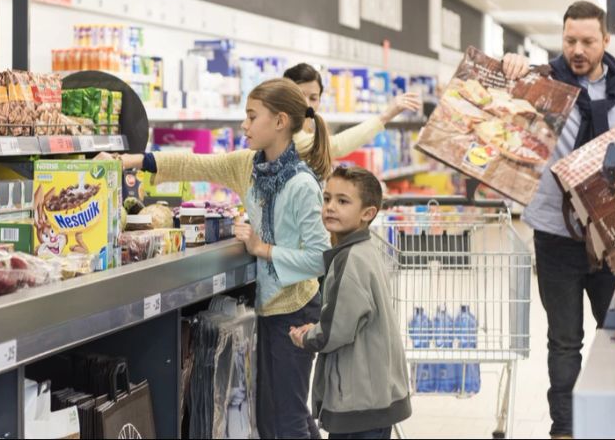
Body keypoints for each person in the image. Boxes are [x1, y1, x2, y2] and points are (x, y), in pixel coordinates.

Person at [99, 78, 332, 439]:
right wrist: (131, 160)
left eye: (253, 116)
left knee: (285, 421)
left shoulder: (302, 184)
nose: (244, 125)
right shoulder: (248, 166)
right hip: (271, 309)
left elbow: (318, 259)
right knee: (277, 418)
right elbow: (195, 164)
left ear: (281, 121)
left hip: (297, 312)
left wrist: (262, 248)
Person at [501, 0, 615, 440]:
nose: (577, 49)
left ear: (605, 41)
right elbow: (499, 100)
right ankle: (566, 429)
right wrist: (511, 66)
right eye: (570, 39)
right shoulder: (545, 85)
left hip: (610, 235)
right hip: (555, 234)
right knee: (564, 340)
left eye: (588, 41)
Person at [289, 166, 411, 440]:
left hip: (360, 400)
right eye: (327, 198)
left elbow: (336, 331)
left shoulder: (350, 259)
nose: (331, 207)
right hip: (376, 392)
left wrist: (307, 337)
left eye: (343, 201)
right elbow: (350, 315)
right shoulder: (364, 250)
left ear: (368, 213)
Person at [283, 63, 422, 153]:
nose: (307, 104)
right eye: (300, 96)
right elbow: (336, 145)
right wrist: (385, 116)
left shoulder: (311, 128)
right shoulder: (283, 133)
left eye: (313, 98)